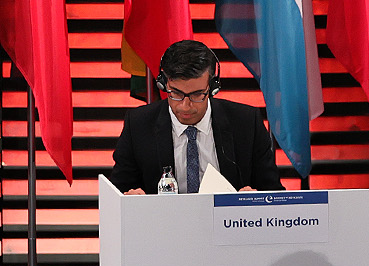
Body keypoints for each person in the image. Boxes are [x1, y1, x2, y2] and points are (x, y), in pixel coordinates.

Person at [108, 40, 282, 194]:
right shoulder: (138, 125)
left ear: (212, 87)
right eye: (176, 93)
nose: (185, 105)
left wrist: (255, 199)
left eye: (197, 94)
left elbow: (274, 193)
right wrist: (130, 199)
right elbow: (117, 193)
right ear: (163, 83)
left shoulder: (246, 122)